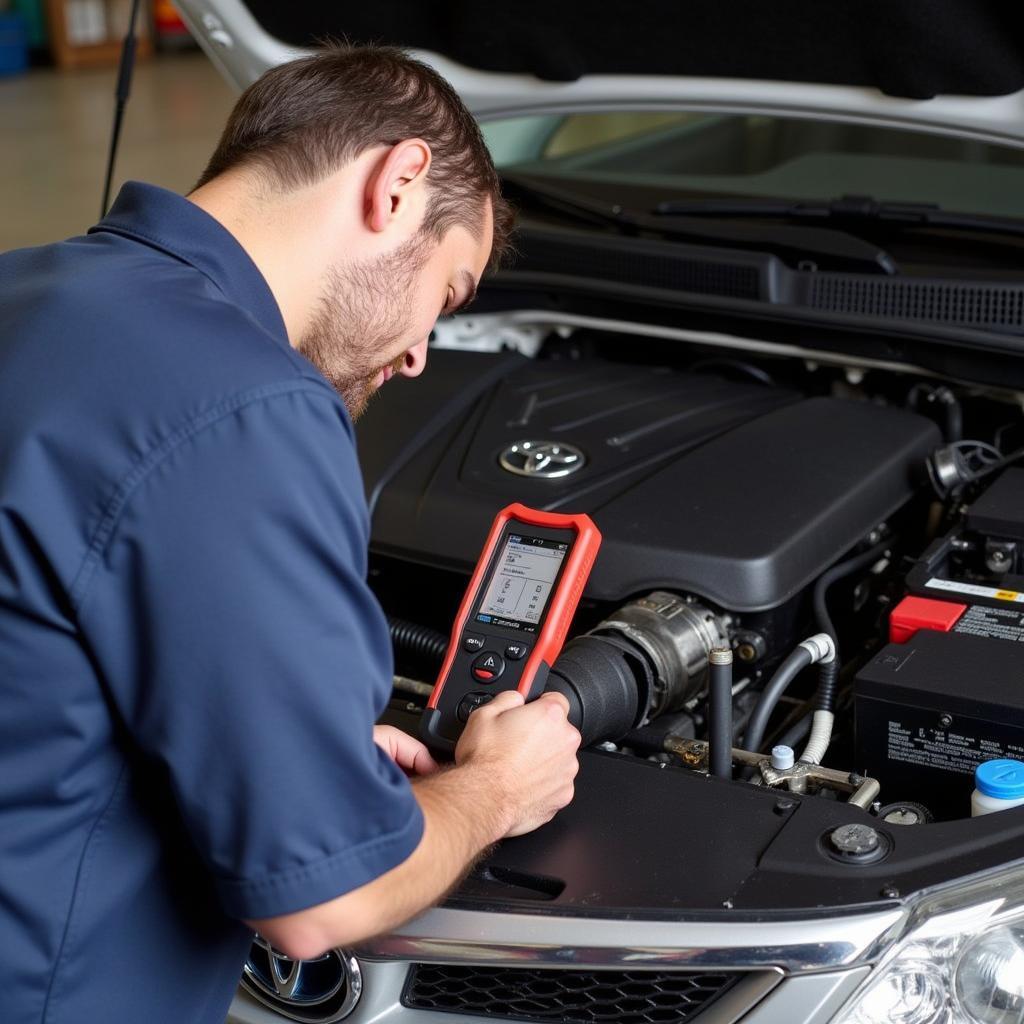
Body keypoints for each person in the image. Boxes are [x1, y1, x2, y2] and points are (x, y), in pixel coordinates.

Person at [0, 45, 581, 1024]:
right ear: (396, 185)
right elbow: (325, 899)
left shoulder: (24, 290)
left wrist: (281, 733)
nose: (415, 355)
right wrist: (496, 787)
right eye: (445, 293)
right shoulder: (246, 401)